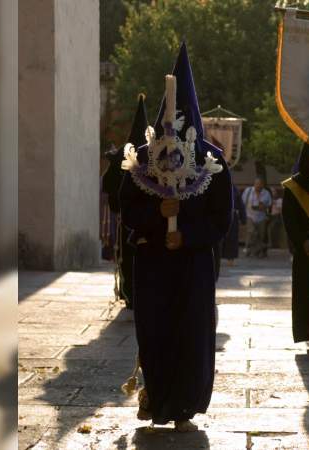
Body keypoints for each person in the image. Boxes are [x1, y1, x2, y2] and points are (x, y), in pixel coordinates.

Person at [120, 42, 232, 431]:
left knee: (191, 337)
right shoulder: (142, 159)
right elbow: (127, 210)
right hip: (153, 265)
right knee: (156, 333)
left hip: (193, 265)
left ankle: (183, 408)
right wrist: (157, 215)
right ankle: (157, 399)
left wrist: (186, 235)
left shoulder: (212, 162)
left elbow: (222, 221)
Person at [101, 94, 149, 309]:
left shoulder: (123, 154)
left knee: (128, 256)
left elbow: (108, 186)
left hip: (127, 219)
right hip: (148, 219)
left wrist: (117, 205)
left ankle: (129, 293)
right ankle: (140, 293)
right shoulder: (153, 155)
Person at [283, 143, 309, 353]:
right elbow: (289, 220)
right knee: (306, 293)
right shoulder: (293, 187)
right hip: (305, 249)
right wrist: (302, 241)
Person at [215, 184, 246, 278]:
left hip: (232, 216)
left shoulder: (234, 189)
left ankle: (230, 259)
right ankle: (217, 259)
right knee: (219, 239)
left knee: (232, 238)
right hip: (219, 216)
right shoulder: (216, 187)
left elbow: (240, 204)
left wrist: (243, 217)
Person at [242, 176, 272, 258]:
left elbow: (269, 205)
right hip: (250, 215)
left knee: (261, 235)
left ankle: (257, 251)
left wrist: (263, 207)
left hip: (261, 217)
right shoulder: (248, 191)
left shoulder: (266, 193)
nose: (257, 186)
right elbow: (243, 202)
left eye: (259, 184)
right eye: (256, 184)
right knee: (251, 232)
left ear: (262, 185)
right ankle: (249, 248)